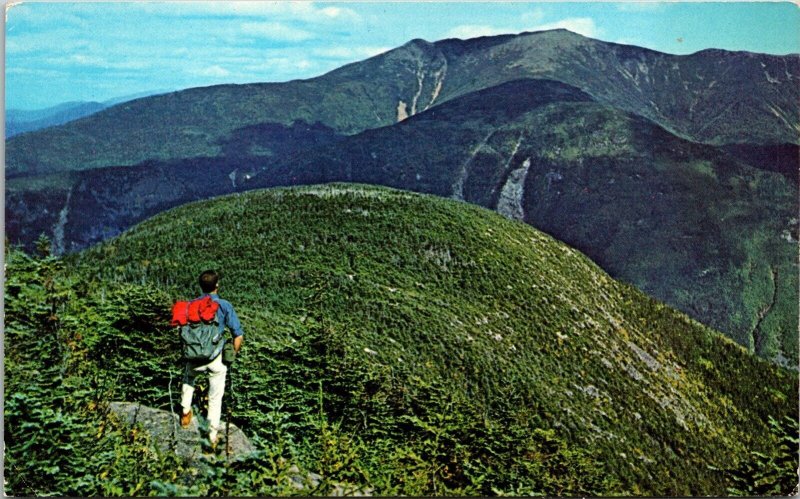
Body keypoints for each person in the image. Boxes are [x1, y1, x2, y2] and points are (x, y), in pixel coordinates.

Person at [180, 270, 244, 447]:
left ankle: (185, 410)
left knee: (189, 378)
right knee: (215, 397)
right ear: (217, 285)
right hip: (216, 358)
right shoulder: (224, 305)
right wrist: (232, 355)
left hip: (194, 356)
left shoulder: (191, 304)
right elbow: (238, 335)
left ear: (201, 286)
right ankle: (211, 435)